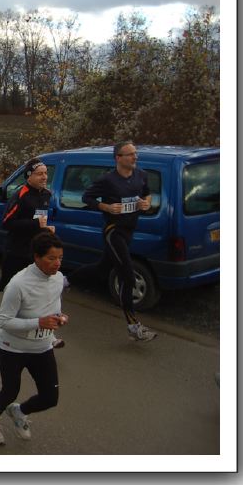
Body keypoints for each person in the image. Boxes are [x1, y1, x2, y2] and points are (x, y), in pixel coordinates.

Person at [0, 231, 68, 446]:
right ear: (37, 257)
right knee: (10, 391)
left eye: (60, 258)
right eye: (51, 258)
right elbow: (3, 321)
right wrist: (38, 322)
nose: (57, 263)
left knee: (50, 398)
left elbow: (52, 305)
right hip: (13, 348)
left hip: (42, 347)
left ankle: (19, 411)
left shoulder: (58, 279)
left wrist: (59, 317)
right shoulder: (18, 284)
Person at [69, 141, 157, 342]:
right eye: (130, 154)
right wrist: (106, 207)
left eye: (136, 153)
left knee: (102, 268)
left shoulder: (141, 175)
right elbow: (86, 198)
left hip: (129, 230)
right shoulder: (107, 180)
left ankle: (66, 281)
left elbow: (147, 194)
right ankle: (133, 327)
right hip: (113, 231)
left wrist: (146, 203)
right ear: (118, 158)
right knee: (128, 276)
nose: (135, 157)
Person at [0, 158, 54, 308]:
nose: (44, 177)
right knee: (5, 283)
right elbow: (7, 223)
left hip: (34, 249)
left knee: (32, 283)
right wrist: (36, 224)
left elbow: (39, 219)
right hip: (16, 249)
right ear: (29, 176)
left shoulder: (46, 195)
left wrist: (45, 229)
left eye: (46, 173)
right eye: (39, 174)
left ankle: (27, 312)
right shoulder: (21, 196)